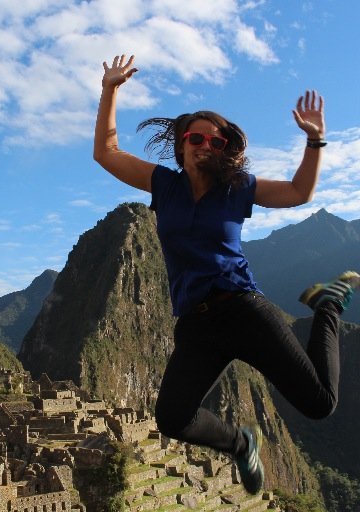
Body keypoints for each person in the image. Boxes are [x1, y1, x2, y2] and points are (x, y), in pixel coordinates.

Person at [93, 54, 360, 495]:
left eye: (216, 142)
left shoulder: (236, 189)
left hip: (244, 310)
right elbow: (106, 152)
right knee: (173, 418)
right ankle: (240, 443)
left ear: (225, 149)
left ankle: (327, 306)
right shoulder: (165, 186)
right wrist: (110, 90)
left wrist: (315, 142)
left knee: (320, 404)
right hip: (196, 324)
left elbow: (298, 192)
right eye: (196, 138)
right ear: (181, 145)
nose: (205, 146)